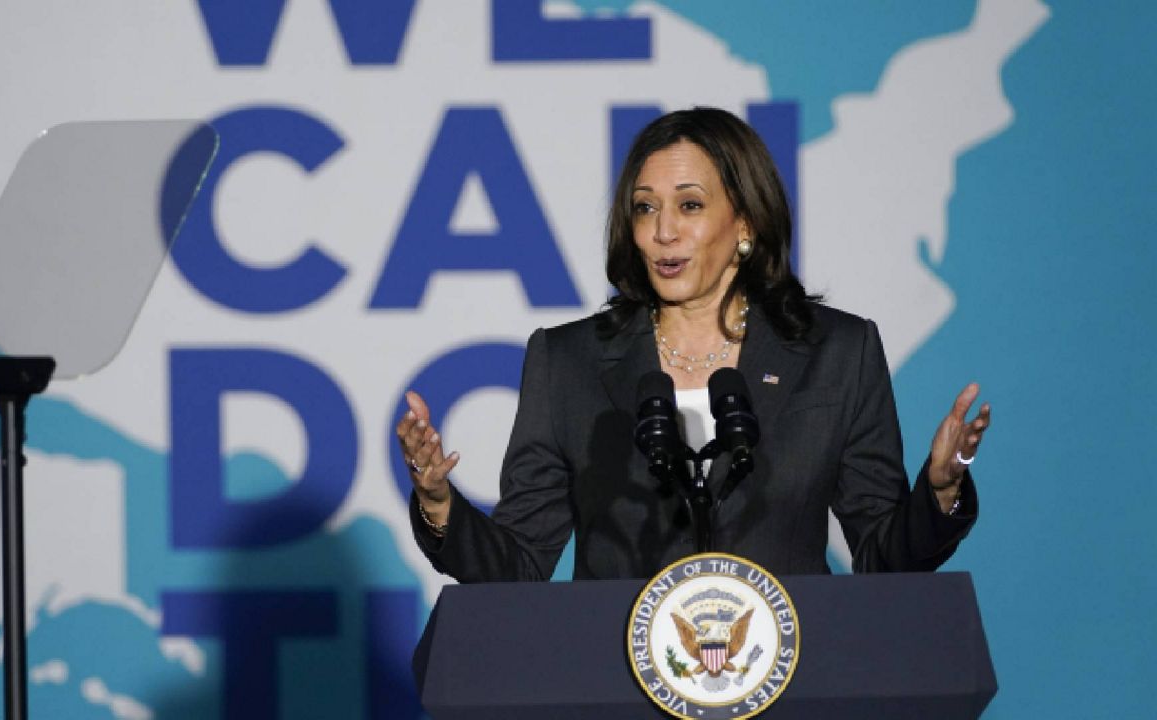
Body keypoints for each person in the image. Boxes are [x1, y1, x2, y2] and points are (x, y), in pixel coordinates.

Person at [397, 107, 990, 581]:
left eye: (690, 205)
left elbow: (884, 556)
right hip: (614, 682)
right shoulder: (567, 362)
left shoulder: (838, 352)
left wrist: (939, 492)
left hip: (791, 682)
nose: (662, 231)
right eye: (645, 207)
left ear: (747, 225)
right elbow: (521, 563)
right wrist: (440, 505)